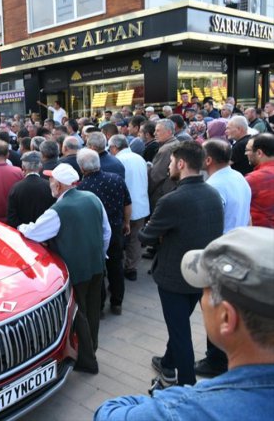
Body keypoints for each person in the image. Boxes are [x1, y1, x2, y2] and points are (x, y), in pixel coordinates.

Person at [95, 227, 274, 421]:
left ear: (226, 318)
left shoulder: (185, 409)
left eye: (205, 288)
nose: (202, 299)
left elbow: (107, 414)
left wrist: (165, 401)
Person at [139, 142, 224, 388]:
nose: (167, 166)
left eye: (170, 161)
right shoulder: (212, 193)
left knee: (180, 334)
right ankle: (167, 362)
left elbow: (146, 237)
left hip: (174, 278)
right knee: (179, 326)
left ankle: (184, 385)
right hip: (202, 274)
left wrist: (161, 234)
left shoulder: (172, 200)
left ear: (181, 164)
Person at [18, 164, 111, 373]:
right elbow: (106, 232)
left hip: (75, 270)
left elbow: (34, 233)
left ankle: (88, 360)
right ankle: (92, 347)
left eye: (52, 180)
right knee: (93, 310)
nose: (50, 183)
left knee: (80, 314)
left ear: (58, 185)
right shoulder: (92, 198)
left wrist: (21, 227)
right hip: (96, 265)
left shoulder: (58, 210)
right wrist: (100, 255)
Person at [193, 138, 252, 378]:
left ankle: (216, 361)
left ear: (207, 160)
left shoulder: (214, 187)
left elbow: (209, 226)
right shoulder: (238, 177)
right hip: (237, 249)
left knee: (215, 308)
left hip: (220, 254)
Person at [77, 148, 131, 315]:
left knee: (99, 269)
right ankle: (117, 303)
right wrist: (126, 222)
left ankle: (99, 306)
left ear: (82, 168)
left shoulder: (82, 187)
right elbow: (127, 203)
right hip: (115, 229)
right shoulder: (116, 179)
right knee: (116, 265)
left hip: (94, 233)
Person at [109, 135, 150, 281]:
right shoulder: (139, 158)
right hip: (141, 205)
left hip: (125, 206)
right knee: (135, 239)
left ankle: (119, 266)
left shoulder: (117, 160)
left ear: (114, 147)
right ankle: (132, 267)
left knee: (121, 237)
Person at [6, 151, 55, 228]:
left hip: (22, 235)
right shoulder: (49, 186)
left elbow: (11, 218)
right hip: (44, 233)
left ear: (23, 167)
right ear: (40, 167)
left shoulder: (16, 188)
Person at [148, 120, 179, 211]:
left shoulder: (165, 150)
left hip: (162, 194)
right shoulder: (176, 143)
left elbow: (156, 176)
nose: (154, 133)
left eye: (158, 131)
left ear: (169, 132)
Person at [245, 133, 274, 228]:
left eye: (247, 150)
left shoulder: (253, 179)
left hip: (261, 235)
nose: (245, 154)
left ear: (259, 153)